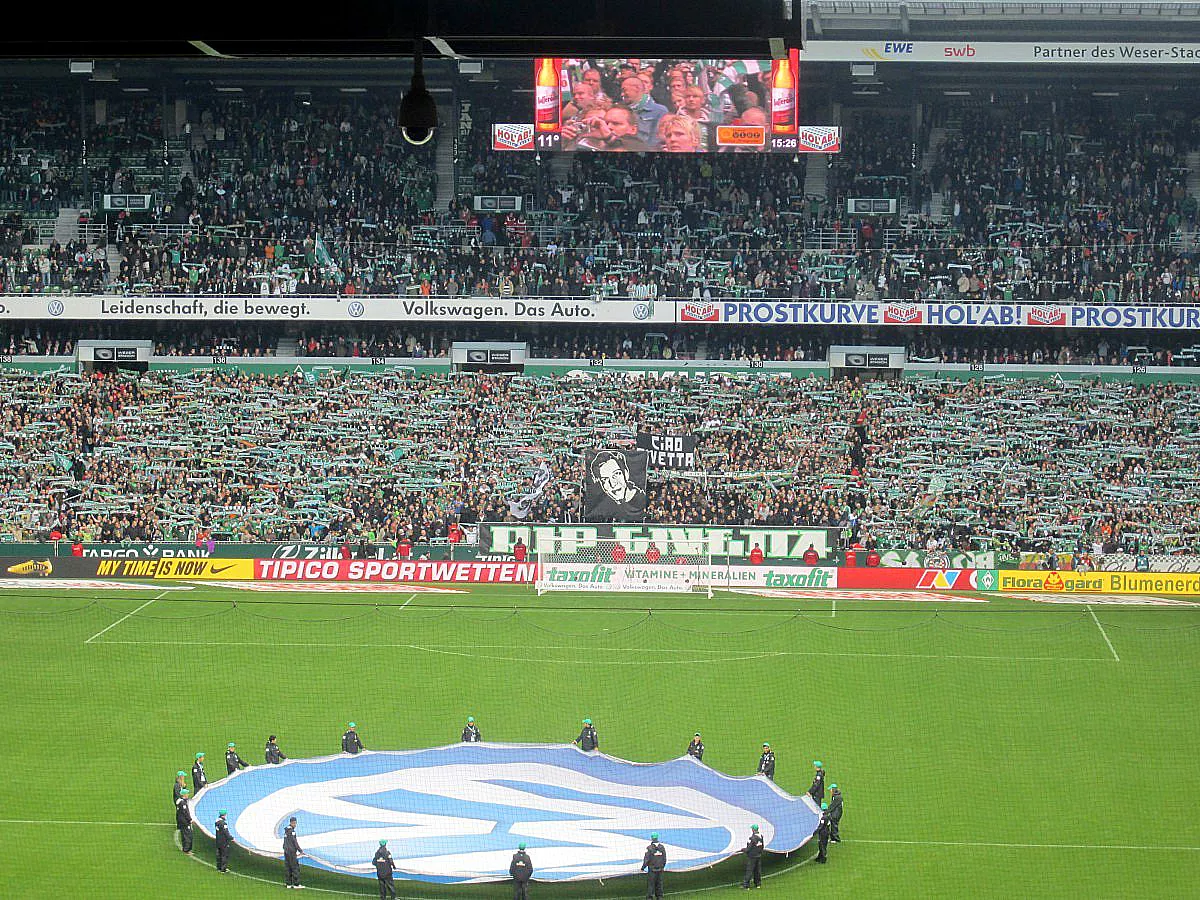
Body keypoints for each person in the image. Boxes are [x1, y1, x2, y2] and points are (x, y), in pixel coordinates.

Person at [588, 450, 648, 520]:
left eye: (616, 474)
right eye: (604, 480)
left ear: (626, 473)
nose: (612, 484)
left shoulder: (641, 499)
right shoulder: (604, 505)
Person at [641, 832, 667, 899]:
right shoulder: (662, 847)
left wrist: (643, 867)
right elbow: (664, 858)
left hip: (652, 869)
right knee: (659, 884)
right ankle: (660, 897)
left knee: (651, 884)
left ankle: (650, 897)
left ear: (652, 838)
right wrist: (662, 866)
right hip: (660, 869)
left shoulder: (649, 848)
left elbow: (646, 859)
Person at [283, 816, 304, 889]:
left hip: (286, 851)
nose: (295, 825)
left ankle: (288, 884)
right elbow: (294, 842)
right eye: (295, 823)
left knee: (288, 867)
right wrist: (300, 850)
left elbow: (285, 842)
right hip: (291, 852)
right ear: (292, 823)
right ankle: (296, 884)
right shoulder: (292, 832)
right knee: (295, 867)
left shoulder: (286, 831)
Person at [741, 823, 763, 889]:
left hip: (752, 857)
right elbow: (762, 846)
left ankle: (746, 885)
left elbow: (748, 849)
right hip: (758, 856)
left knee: (749, 871)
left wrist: (743, 850)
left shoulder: (753, 838)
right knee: (757, 871)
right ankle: (758, 884)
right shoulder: (761, 836)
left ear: (753, 830)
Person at [175, 788, 193, 854]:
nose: (188, 794)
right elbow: (186, 812)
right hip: (185, 822)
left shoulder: (180, 801)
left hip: (181, 821)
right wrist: (190, 819)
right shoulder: (183, 803)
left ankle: (185, 848)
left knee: (184, 834)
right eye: (187, 793)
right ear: (184, 794)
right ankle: (186, 849)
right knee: (188, 835)